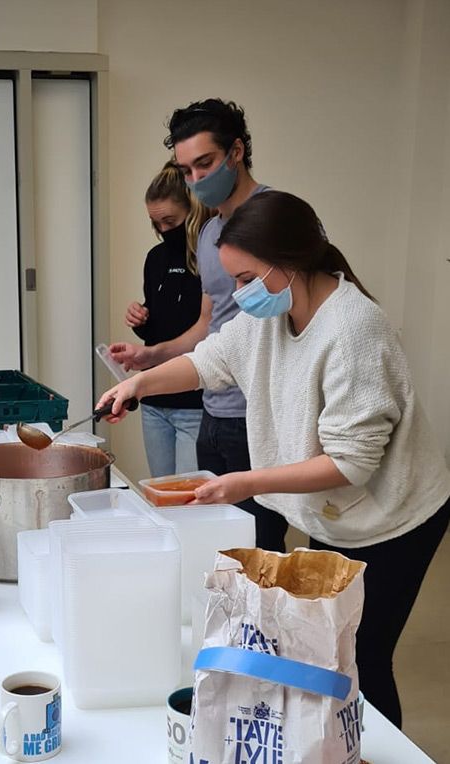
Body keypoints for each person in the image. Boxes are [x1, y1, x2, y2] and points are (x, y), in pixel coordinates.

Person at [99, 190, 450, 728]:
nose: (238, 296)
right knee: (327, 648)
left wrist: (243, 482)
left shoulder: (354, 332)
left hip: (395, 517)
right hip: (336, 510)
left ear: (289, 262)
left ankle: (370, 745)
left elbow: (350, 463)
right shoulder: (271, 315)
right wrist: (141, 383)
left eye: (245, 280)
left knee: (362, 656)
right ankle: (333, 744)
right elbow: (207, 360)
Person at [111, 98, 288, 551]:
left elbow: (309, 318)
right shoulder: (210, 235)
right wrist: (150, 359)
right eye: (185, 170)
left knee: (258, 544)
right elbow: (210, 329)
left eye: (204, 164)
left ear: (237, 152)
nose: (195, 180)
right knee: (207, 539)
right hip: (215, 413)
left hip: (259, 416)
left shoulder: (280, 217)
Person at [122, 161, 209, 476]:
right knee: (161, 493)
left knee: (189, 503)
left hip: (194, 402)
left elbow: (206, 328)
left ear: (193, 211)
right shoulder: (155, 259)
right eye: (155, 223)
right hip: (155, 399)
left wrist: (152, 352)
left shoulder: (209, 256)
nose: (162, 231)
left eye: (170, 221)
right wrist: (142, 318)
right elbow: (164, 318)